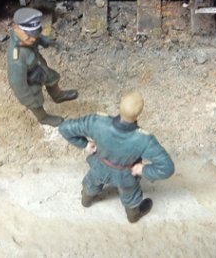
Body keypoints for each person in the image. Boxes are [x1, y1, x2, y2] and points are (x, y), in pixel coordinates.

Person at [59, 91, 175, 223]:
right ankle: (133, 216)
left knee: (91, 184)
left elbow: (64, 128)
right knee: (130, 197)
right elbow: (167, 168)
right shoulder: (144, 140)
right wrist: (143, 169)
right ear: (138, 114)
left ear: (120, 106)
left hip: (99, 166)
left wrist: (85, 144)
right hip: (126, 175)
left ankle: (86, 201)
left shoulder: (97, 122)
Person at [6, 7, 78, 126]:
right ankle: (43, 118)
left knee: (53, 78)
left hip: (39, 66)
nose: (32, 39)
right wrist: (28, 100)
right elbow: (17, 84)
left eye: (34, 35)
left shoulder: (27, 37)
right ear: (16, 28)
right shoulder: (17, 59)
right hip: (31, 80)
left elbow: (37, 37)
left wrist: (47, 41)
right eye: (29, 37)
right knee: (36, 101)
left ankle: (57, 96)